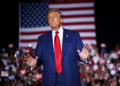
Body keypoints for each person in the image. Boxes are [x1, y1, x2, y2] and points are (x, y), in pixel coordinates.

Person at [24, 9, 90, 86]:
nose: (51, 19)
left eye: (54, 17)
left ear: (61, 19)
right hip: (50, 81)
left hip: (71, 80)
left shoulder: (74, 35)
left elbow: (80, 54)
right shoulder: (42, 39)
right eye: (49, 18)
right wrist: (34, 64)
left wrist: (83, 58)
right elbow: (38, 58)